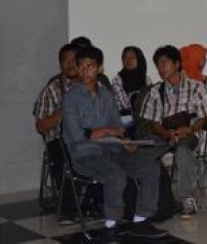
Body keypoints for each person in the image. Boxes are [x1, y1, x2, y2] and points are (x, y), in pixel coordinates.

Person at [62, 47, 168, 239]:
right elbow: (78, 135)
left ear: (99, 68)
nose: (85, 71)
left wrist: (125, 141)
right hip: (86, 154)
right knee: (115, 174)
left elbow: (118, 127)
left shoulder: (106, 95)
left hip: (113, 149)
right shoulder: (70, 98)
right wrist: (107, 131)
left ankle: (141, 220)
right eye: (81, 66)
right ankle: (111, 225)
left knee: (150, 168)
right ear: (77, 68)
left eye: (90, 66)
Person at [138, 45, 207, 218]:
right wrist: (166, 134)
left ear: (177, 64)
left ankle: (187, 198)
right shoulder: (155, 92)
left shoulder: (197, 88)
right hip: (164, 134)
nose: (160, 68)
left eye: (164, 63)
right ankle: (154, 199)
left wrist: (190, 128)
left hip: (190, 133)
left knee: (182, 148)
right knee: (143, 152)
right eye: (158, 65)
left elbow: (204, 117)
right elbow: (154, 122)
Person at [33, 43, 79, 224]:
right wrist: (64, 110)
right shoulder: (52, 89)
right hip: (59, 140)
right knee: (68, 157)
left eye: (74, 60)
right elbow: (40, 127)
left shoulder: (91, 85)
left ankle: (98, 202)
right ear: (60, 64)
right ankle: (69, 210)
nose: (70, 64)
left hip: (88, 137)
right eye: (65, 61)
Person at [111, 46, 152, 114]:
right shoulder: (117, 80)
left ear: (139, 59)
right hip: (124, 116)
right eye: (125, 58)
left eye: (132, 57)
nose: (128, 60)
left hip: (144, 116)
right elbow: (126, 105)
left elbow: (151, 102)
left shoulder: (147, 79)